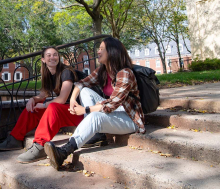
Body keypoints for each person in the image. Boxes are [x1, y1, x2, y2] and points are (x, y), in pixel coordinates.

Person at [44, 37, 146, 170]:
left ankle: (63, 152)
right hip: (113, 111)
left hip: (130, 119)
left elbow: (111, 105)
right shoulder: (103, 71)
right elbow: (81, 83)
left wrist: (85, 110)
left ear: (112, 52)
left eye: (102, 49)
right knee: (85, 91)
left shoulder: (125, 73)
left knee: (94, 116)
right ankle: (95, 133)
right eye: (99, 49)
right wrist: (73, 99)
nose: (98, 52)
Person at [0, 46, 85, 163]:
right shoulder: (48, 74)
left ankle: (40, 146)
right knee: (33, 108)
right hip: (70, 111)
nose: (52, 57)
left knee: (52, 107)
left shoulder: (66, 72)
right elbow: (43, 95)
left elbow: (62, 99)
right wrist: (33, 99)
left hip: (83, 113)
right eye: (49, 55)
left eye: (55, 55)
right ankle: (15, 138)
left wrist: (43, 105)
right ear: (43, 59)